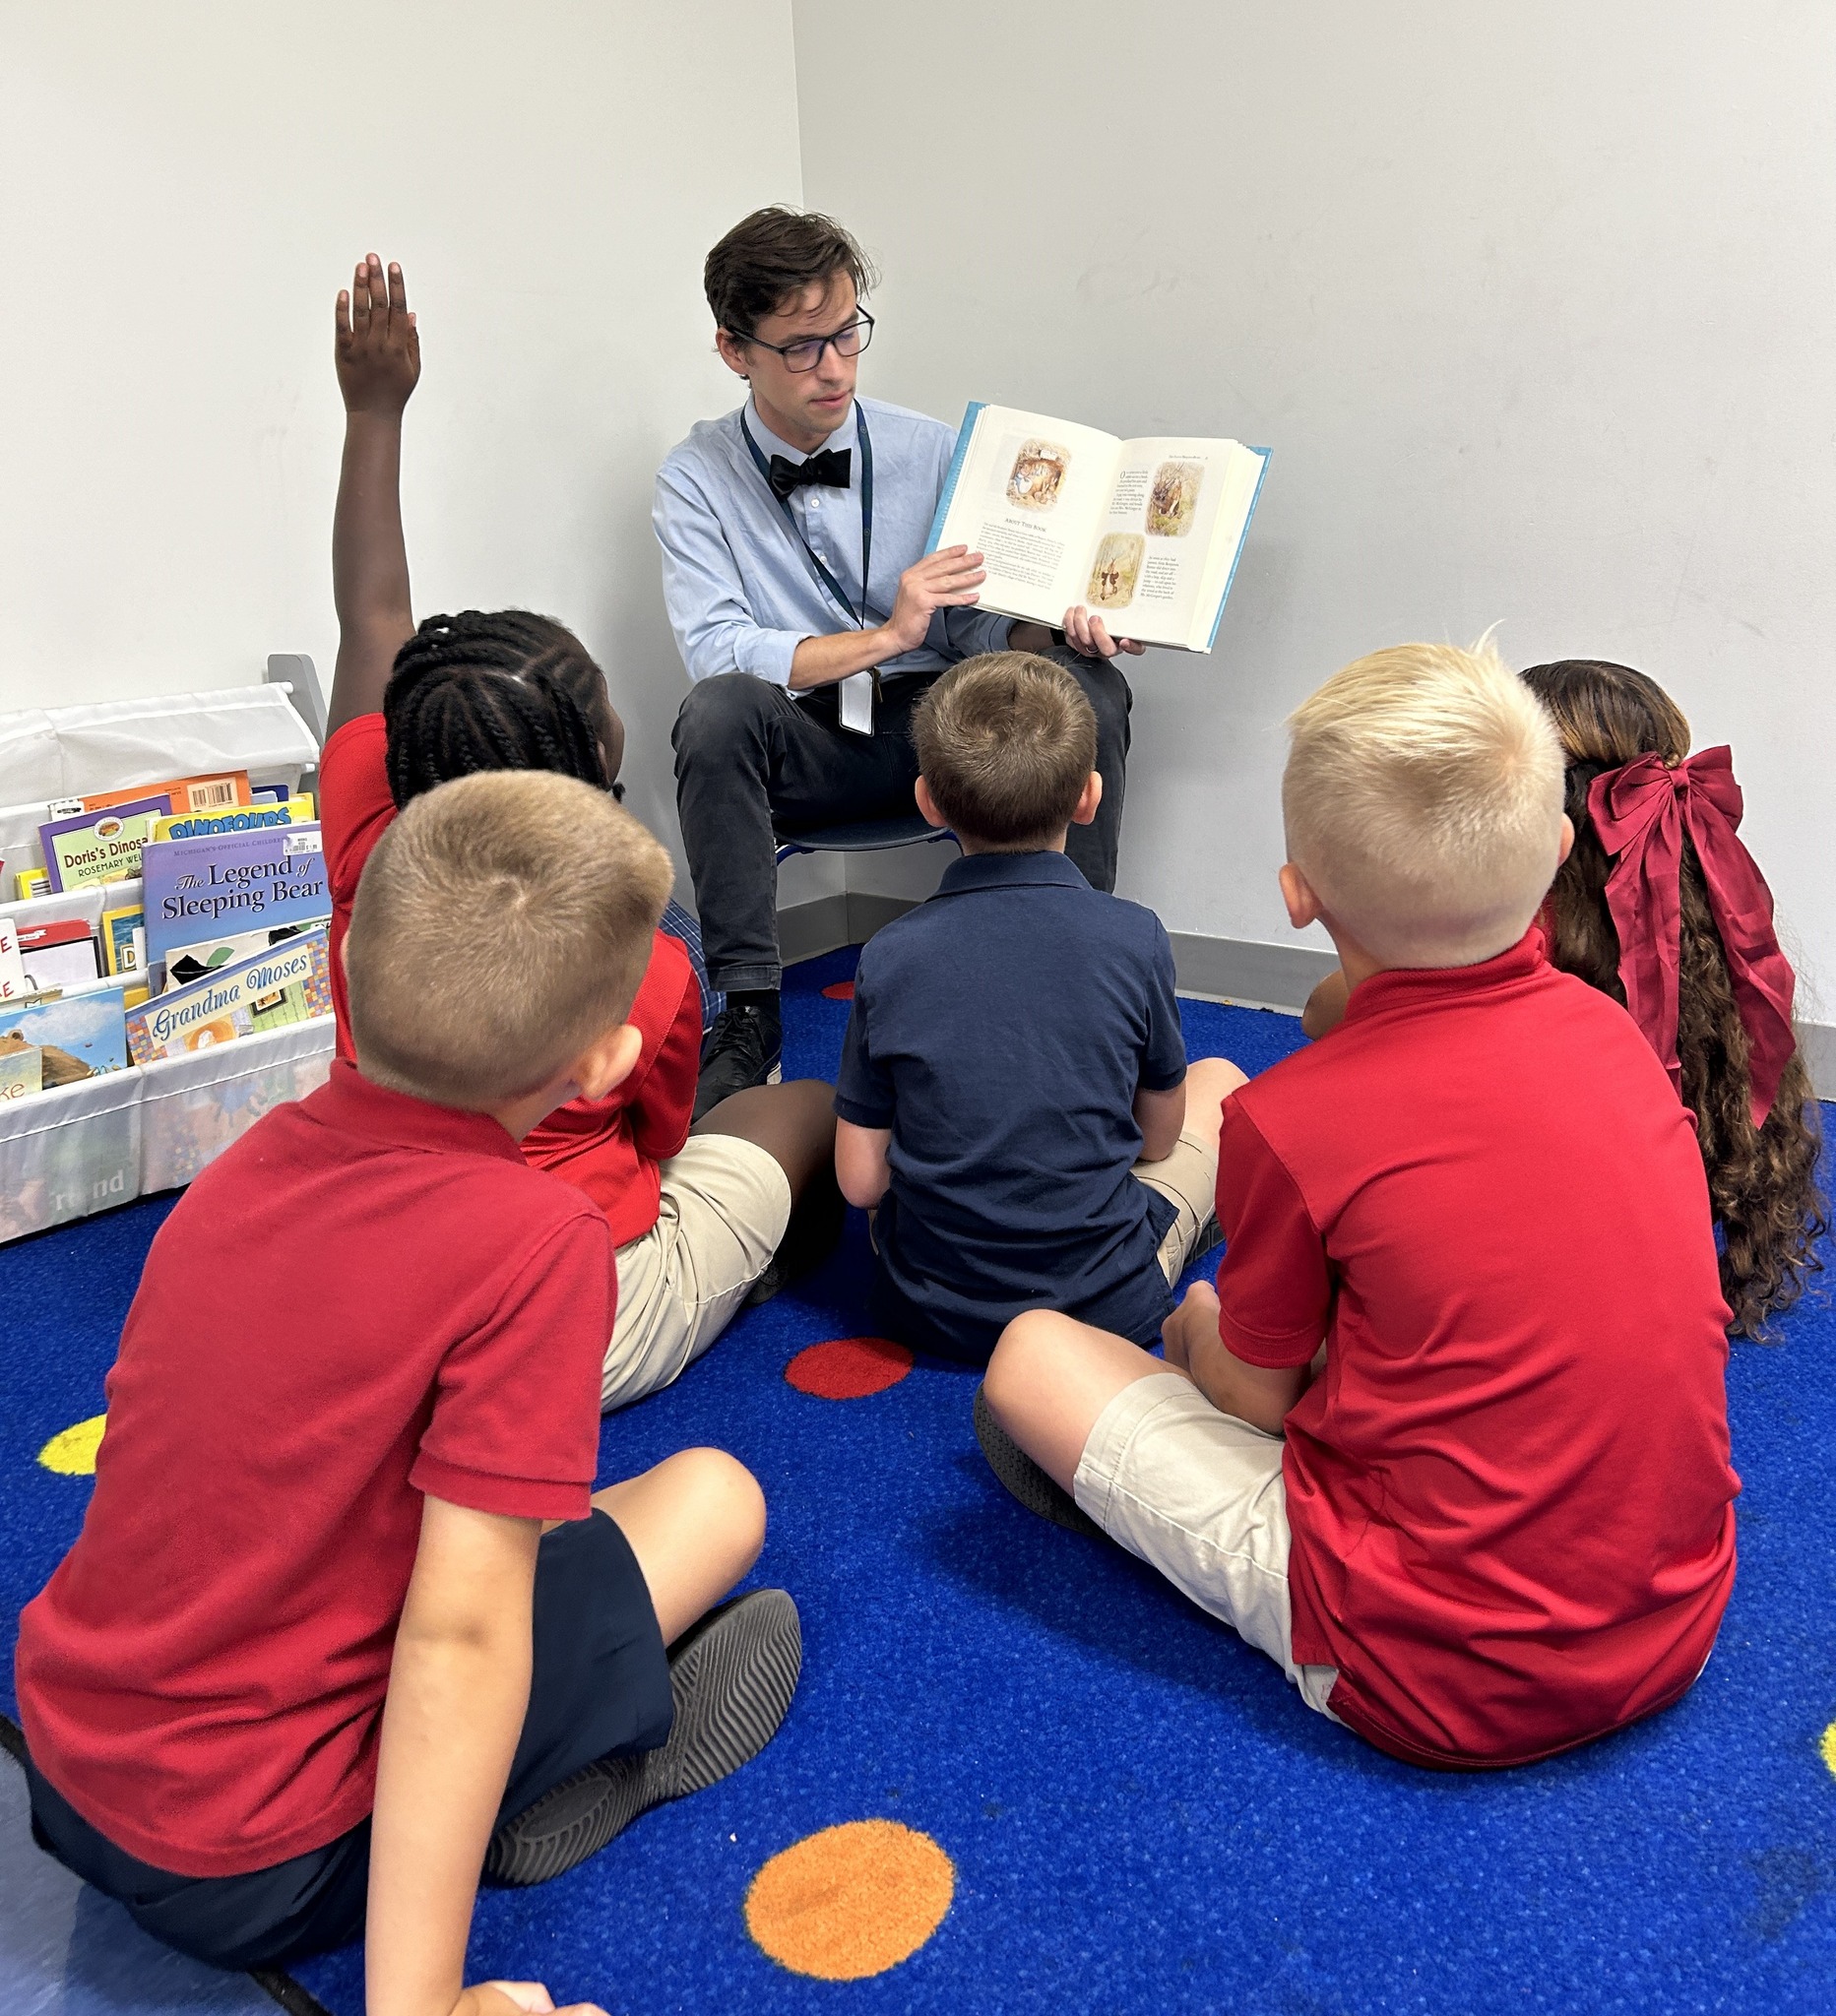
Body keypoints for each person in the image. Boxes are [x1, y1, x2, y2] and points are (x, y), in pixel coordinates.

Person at [15, 771, 803, 2014]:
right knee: (716, 1496)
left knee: (559, 1518)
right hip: (255, 1859)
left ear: (339, 961)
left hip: (67, 1770)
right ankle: (541, 1779)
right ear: (608, 1059)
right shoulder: (533, 1239)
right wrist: (426, 2004)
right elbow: (459, 1634)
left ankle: (545, 1750)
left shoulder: (236, 1168)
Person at [981, 640, 1740, 1771]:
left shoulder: (1290, 1120)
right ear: (1562, 854)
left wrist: (1191, 1329)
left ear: (1295, 897)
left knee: (1031, 1354)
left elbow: (1255, 1401)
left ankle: (1149, 1500)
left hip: (1429, 1673)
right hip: (1676, 1621)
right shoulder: (1621, 1041)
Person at [323, 255, 840, 1409]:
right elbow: (656, 1148)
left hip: (374, 1293)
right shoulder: (639, 957)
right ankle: (733, 1279)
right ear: (592, 765)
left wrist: (372, 413)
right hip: (571, 1316)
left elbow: (372, 617)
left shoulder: (367, 823)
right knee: (802, 1109)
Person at [657, 207, 1142, 1117]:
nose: (833, 367)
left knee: (1087, 688)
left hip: (942, 730)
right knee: (716, 708)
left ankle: (1073, 957)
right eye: (802, 346)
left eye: (846, 334)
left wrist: (1057, 632)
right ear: (734, 350)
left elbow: (976, 635)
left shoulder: (928, 448)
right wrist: (887, 633)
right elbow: (717, 647)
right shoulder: (695, 476)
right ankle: (751, 1013)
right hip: (810, 745)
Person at [1301, 655, 1825, 1339]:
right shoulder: (1719, 909)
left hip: (1502, 1257)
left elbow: (1319, 1013)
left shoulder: (1508, 931)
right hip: (1655, 1239)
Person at [831, 652, 1241, 1365]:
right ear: (1088, 797)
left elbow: (860, 1181)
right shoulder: (1134, 936)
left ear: (927, 802)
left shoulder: (889, 953)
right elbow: (1154, 1140)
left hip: (925, 1312)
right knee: (1223, 1079)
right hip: (1108, 1307)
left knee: (837, 1116)